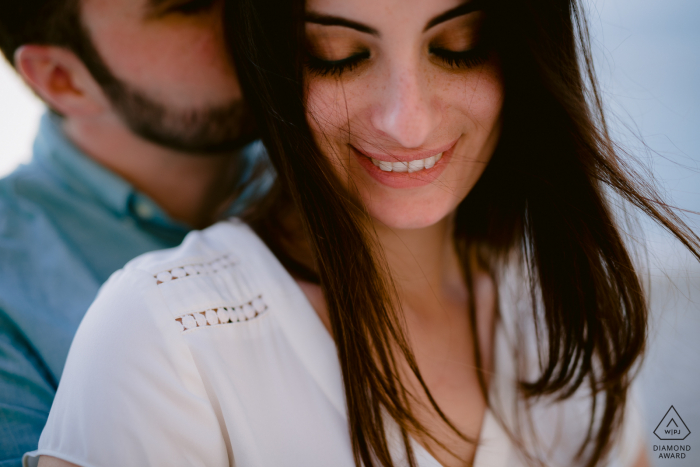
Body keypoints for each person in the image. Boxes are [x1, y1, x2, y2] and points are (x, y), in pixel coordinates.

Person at [28, 0, 700, 465]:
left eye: (458, 47)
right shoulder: (163, 333)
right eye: (339, 55)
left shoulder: (559, 311)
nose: (406, 123)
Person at [0, 0, 271, 463]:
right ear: (62, 78)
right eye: (190, 7)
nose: (254, 13)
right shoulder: (11, 295)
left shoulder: (364, 171)